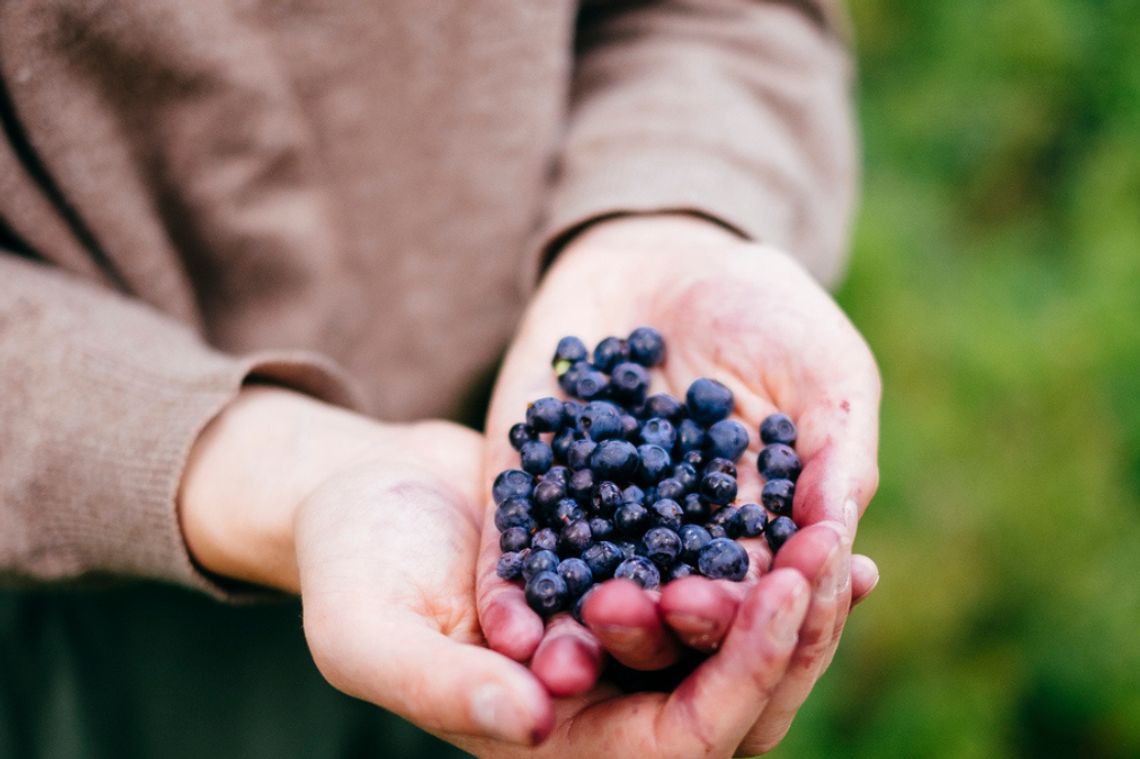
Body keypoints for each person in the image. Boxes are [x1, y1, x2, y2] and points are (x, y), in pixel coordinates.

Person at [0, 1, 881, 756]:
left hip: (476, 526)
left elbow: (722, 14)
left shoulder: (590, 440)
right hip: (88, 622)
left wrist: (672, 213)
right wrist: (225, 453)